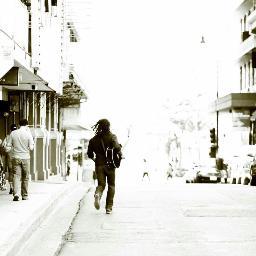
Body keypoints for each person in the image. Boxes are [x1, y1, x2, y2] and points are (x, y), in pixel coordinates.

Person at [87, 119, 122, 214]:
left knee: (101, 185)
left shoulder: (93, 140)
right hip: (110, 166)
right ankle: (108, 208)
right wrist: (120, 152)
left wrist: (96, 159)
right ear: (108, 126)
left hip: (99, 165)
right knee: (111, 185)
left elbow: (89, 154)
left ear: (99, 127)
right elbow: (117, 148)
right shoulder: (112, 137)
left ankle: (98, 194)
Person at [6, 119, 34, 201]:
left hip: (16, 157)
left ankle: (16, 194)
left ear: (19, 125)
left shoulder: (13, 133)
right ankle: (24, 195)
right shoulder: (28, 134)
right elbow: (31, 148)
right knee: (25, 177)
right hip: (25, 158)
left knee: (16, 176)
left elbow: (8, 147)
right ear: (27, 125)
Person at [2, 124, 17, 194]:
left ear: (10, 130)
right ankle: (15, 188)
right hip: (17, 157)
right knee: (16, 173)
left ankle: (11, 187)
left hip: (10, 157)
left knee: (11, 172)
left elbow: (3, 146)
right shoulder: (18, 136)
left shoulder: (7, 137)